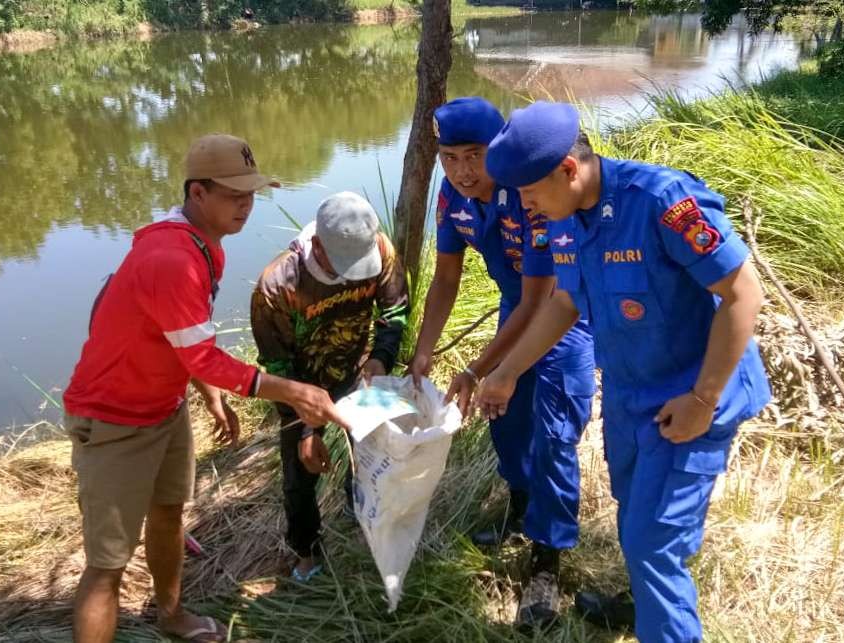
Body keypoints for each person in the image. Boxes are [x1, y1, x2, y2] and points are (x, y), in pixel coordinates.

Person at [477, 101, 771, 642]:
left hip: (692, 397)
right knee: (636, 516)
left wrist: (702, 400)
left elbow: (742, 293)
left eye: (531, 193)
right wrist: (509, 371)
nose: (527, 207)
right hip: (632, 397)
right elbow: (565, 303)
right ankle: (645, 607)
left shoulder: (660, 201)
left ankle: (664, 619)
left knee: (652, 546)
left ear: (569, 169)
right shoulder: (564, 221)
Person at [62, 134, 348, 643]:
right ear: (198, 193)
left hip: (164, 408)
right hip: (114, 418)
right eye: (234, 195)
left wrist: (208, 392)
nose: (246, 205)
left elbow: (182, 339)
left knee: (169, 513)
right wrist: (293, 391)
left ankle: (171, 616)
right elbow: (200, 355)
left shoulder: (204, 246)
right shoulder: (172, 258)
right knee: (106, 566)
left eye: (251, 193)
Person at [408, 97, 596, 628]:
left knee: (554, 433)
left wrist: (477, 370)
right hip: (516, 306)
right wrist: (425, 350)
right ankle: (519, 502)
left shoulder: (529, 191)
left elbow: (542, 300)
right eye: (451, 158)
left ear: (500, 149)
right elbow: (446, 278)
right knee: (505, 419)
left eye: (476, 155)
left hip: (564, 310)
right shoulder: (452, 195)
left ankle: (547, 560)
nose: (464, 171)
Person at [251, 191, 410, 583]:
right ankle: (307, 554)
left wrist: (380, 359)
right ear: (317, 245)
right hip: (300, 387)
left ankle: (361, 511)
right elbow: (278, 368)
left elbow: (394, 310)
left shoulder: (381, 250)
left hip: (357, 375)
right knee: (299, 476)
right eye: (345, 266)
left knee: (373, 455)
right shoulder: (277, 286)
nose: (355, 273)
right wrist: (306, 428)